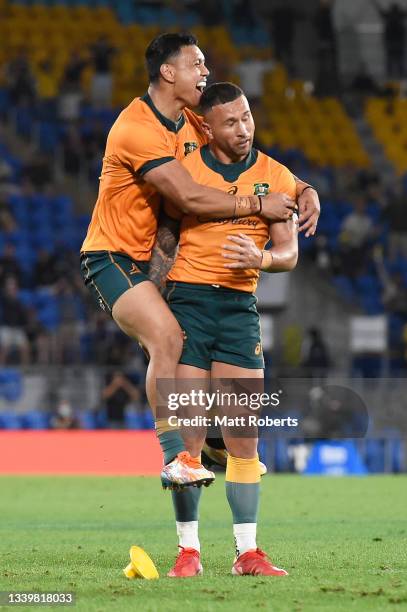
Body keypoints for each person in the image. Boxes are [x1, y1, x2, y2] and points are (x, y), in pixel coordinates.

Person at [80, 33, 320, 490]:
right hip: (110, 255)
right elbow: (188, 195)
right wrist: (257, 206)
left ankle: (209, 440)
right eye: (197, 64)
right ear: (168, 72)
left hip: (154, 260)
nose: (205, 72)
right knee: (168, 337)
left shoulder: (193, 122)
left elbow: (250, 162)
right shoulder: (135, 128)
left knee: (183, 347)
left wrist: (304, 190)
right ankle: (176, 457)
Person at [155, 82, 298, 577]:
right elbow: (162, 227)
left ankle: (247, 553)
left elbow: (290, 252)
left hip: (239, 309)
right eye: (232, 122)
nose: (243, 129)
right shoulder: (186, 168)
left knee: (243, 438)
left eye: (247, 117)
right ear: (209, 127)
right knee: (189, 441)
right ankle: (188, 552)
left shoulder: (276, 175)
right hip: (188, 305)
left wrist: (262, 258)